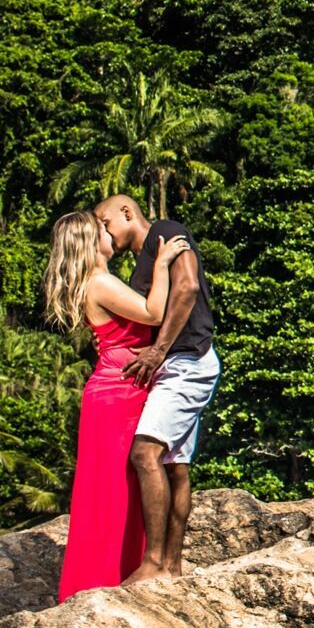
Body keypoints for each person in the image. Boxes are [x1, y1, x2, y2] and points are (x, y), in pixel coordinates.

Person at [43, 210, 190, 601]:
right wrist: (161, 265)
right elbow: (153, 313)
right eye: (102, 230)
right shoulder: (100, 282)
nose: (110, 233)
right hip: (116, 396)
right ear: (92, 242)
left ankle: (118, 572)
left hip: (120, 392)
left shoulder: (98, 282)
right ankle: (97, 582)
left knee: (120, 490)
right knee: (109, 494)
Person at [93, 195, 218, 586]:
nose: (102, 228)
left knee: (145, 452)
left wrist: (157, 351)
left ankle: (154, 563)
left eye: (104, 219)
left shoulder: (165, 232)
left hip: (186, 361)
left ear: (128, 213)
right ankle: (173, 567)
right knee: (174, 466)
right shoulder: (142, 262)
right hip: (175, 364)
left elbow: (186, 288)